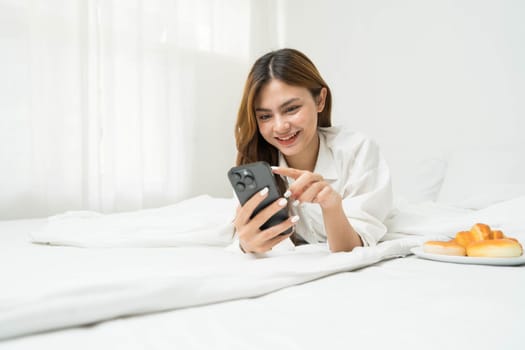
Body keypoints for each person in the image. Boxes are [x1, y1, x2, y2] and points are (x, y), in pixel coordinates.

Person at [232, 48, 393, 254]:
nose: (280, 126)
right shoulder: (256, 166)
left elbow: (352, 249)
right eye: (265, 116)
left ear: (320, 100)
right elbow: (254, 242)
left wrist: (332, 207)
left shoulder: (357, 150)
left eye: (291, 109)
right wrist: (246, 245)